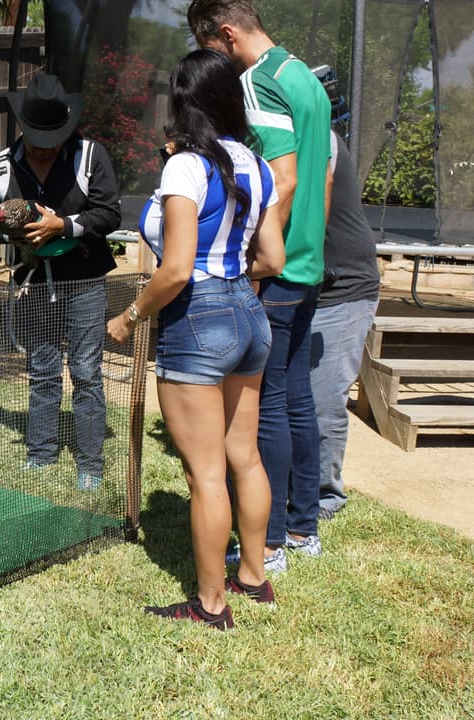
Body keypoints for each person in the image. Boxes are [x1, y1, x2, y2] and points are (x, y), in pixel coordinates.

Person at [107, 48, 286, 629]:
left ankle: (210, 604)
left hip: (197, 318)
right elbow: (273, 257)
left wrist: (129, 316)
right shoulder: (258, 168)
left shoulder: (186, 166)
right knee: (245, 457)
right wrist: (231, 277)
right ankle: (254, 576)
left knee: (207, 473)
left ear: (183, 104)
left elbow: (176, 269)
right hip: (249, 314)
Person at [187, 0, 333, 573]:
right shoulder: (306, 77)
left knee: (263, 408)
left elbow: (289, 176)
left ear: (226, 35)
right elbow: (322, 172)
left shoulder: (261, 82)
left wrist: (252, 252)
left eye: (211, 50)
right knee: (296, 398)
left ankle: (267, 542)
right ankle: (302, 528)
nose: (213, 65)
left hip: (276, 269)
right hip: (308, 264)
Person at [0, 73, 121, 489]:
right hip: (33, 281)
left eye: (56, 135)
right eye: (41, 136)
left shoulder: (90, 156)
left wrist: (63, 225)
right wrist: (12, 229)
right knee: (42, 367)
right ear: (24, 128)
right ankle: (41, 452)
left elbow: (110, 215)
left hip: (84, 279)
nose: (49, 144)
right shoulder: (1, 169)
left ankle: (90, 464)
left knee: (85, 371)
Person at [312, 131, 380, 519]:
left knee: (324, 400)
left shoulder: (320, 136)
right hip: (308, 290)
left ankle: (325, 497)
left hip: (344, 291)